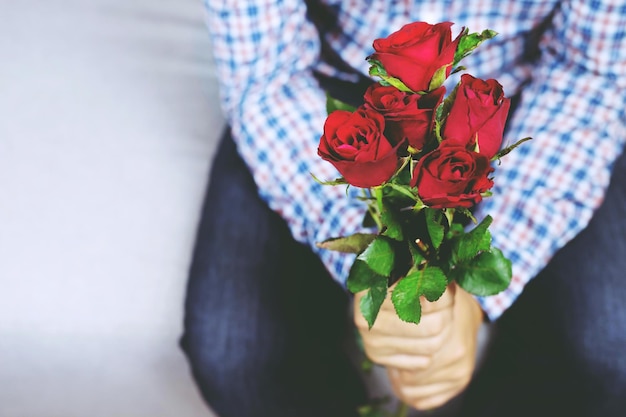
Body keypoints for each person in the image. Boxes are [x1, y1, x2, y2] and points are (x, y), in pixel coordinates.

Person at [180, 1, 626, 416]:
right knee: (231, 351)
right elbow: (267, 75)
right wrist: (375, 262)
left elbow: (590, 70)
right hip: (329, 78)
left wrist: (478, 289)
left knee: (609, 350)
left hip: (528, 90)